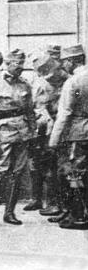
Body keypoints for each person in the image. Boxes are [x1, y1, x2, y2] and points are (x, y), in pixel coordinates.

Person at [0, 49, 34, 226]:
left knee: (17, 173)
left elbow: (29, 111)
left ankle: (9, 212)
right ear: (7, 64)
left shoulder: (24, 84)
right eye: (17, 63)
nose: (21, 67)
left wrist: (32, 133)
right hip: (3, 134)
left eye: (22, 63)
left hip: (22, 134)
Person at [49, 44, 88, 229]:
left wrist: (54, 139)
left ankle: (78, 216)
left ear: (72, 61)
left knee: (75, 175)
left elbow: (65, 113)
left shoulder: (74, 82)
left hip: (78, 132)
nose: (63, 65)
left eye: (64, 61)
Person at [26, 53, 66, 216]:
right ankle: (37, 198)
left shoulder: (67, 80)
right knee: (38, 165)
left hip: (59, 129)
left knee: (55, 167)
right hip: (42, 128)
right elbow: (37, 106)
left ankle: (55, 202)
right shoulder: (40, 82)